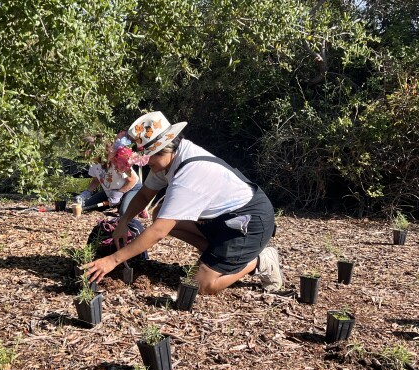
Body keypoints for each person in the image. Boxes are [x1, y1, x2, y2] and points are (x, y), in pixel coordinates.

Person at [84, 111, 283, 295]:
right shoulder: (168, 161)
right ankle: (217, 256)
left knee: (201, 286)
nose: (145, 164)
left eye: (147, 159)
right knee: (160, 211)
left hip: (249, 222)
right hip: (220, 219)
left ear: (164, 149)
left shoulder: (189, 173)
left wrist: (113, 260)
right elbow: (144, 195)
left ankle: (260, 261)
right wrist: (124, 221)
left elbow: (159, 231)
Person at [76, 136, 144, 217]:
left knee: (124, 212)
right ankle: (120, 203)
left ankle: (141, 208)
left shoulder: (116, 158)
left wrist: (119, 193)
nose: (83, 154)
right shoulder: (93, 162)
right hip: (111, 192)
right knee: (85, 207)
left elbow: (133, 179)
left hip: (131, 188)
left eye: (84, 151)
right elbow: (95, 181)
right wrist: (85, 193)